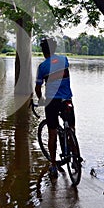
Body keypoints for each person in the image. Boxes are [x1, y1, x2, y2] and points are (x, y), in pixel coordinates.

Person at [35, 37, 75, 179]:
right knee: (71, 127)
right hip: (66, 99)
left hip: (52, 102)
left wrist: (40, 100)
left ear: (43, 51)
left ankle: (53, 165)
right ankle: (75, 159)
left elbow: (38, 88)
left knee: (52, 133)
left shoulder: (42, 67)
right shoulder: (64, 60)